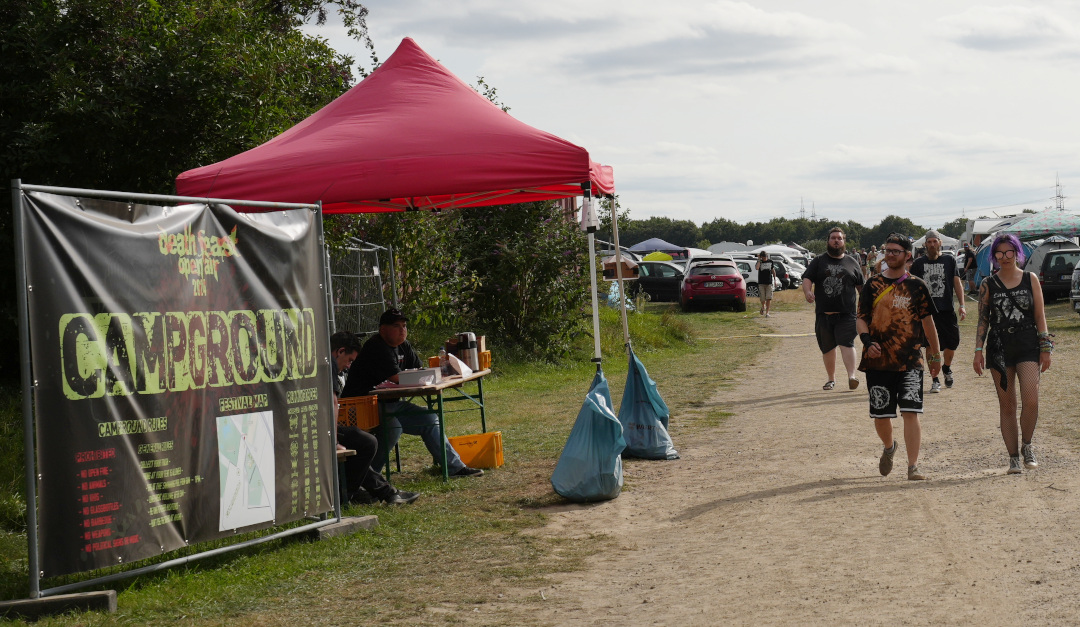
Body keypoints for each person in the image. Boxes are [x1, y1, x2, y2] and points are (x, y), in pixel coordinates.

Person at [340, 308, 485, 478]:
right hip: (361, 406)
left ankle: (454, 468)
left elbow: (420, 369)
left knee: (429, 419)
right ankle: (366, 478)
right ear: (383, 330)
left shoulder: (404, 345)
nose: (402, 330)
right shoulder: (376, 347)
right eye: (396, 326)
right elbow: (397, 378)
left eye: (404, 325)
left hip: (389, 404)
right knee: (393, 427)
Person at [856, 234, 942, 481]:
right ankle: (889, 446)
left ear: (907, 255)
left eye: (895, 251)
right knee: (881, 415)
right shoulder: (872, 285)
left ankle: (913, 466)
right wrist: (867, 341)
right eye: (887, 250)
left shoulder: (917, 286)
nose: (890, 254)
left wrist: (934, 355)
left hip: (911, 360)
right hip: (878, 360)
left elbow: (928, 322)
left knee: (910, 412)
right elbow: (860, 318)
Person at [973, 233, 1053, 475]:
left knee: (1031, 398)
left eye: (1009, 252)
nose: (1004, 257)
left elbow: (1040, 315)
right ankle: (1013, 457)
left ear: (1017, 253)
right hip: (999, 347)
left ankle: (1027, 445)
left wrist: (1045, 347)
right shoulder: (988, 283)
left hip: (1028, 343)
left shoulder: (1030, 279)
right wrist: (978, 350)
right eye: (999, 253)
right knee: (1007, 405)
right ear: (993, 256)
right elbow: (983, 320)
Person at [330, 331, 420, 505]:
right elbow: (333, 402)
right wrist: (333, 441)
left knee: (362, 439)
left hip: (321, 426)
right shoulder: (329, 365)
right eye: (349, 360)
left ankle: (381, 492)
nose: (349, 366)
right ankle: (349, 494)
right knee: (366, 442)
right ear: (339, 351)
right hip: (316, 429)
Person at [802, 227, 865, 391]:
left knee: (847, 343)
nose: (836, 240)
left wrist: (865, 306)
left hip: (847, 314)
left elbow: (861, 287)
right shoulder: (819, 261)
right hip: (824, 314)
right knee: (828, 347)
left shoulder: (852, 262)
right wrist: (807, 291)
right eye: (833, 238)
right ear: (828, 241)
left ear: (844, 241)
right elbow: (807, 278)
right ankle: (831, 379)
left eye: (839, 238)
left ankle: (852, 376)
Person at [910, 230, 967, 392]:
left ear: (940, 243)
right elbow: (911, 287)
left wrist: (962, 304)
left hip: (947, 310)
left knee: (952, 344)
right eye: (929, 242)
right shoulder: (919, 264)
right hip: (927, 313)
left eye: (935, 241)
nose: (932, 245)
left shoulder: (949, 260)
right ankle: (935, 379)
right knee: (930, 346)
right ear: (925, 244)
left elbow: (957, 283)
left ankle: (946, 368)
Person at [755, 251, 775, 317]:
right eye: (763, 257)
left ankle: (767, 313)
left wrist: (775, 280)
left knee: (769, 298)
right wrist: (759, 260)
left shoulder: (770, 261)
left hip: (769, 282)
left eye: (765, 257)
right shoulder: (759, 262)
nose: (764, 259)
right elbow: (757, 268)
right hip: (761, 283)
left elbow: (773, 270)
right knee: (763, 298)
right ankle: (763, 306)